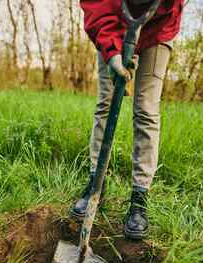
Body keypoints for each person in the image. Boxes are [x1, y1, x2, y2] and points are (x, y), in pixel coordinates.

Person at [71, 0, 184, 239]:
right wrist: (111, 52)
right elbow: (96, 7)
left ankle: (139, 197)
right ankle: (95, 185)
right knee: (106, 102)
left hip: (159, 27)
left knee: (146, 108)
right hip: (113, 23)